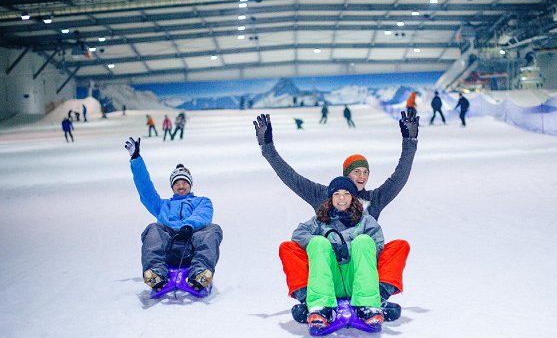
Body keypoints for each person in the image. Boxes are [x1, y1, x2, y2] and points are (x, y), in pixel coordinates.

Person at [253, 111, 419, 322]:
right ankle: (309, 299)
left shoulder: (374, 199)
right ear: (344, 176)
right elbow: (292, 178)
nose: (361, 176)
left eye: (365, 172)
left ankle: (376, 297)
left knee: (397, 246)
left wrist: (409, 142)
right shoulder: (325, 196)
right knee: (289, 248)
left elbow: (399, 178)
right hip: (328, 267)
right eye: (356, 172)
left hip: (362, 265)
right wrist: (268, 148)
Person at [123, 137, 223, 291]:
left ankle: (200, 272)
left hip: (192, 244)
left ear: (190, 184)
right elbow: (146, 190)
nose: (181, 186)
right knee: (153, 228)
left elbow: (203, 216)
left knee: (213, 229)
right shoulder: (163, 205)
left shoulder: (203, 201)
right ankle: (155, 272)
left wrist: (189, 227)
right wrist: (136, 160)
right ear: (172, 186)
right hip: (168, 246)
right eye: (177, 183)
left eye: (184, 182)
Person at [291, 177, 385, 327]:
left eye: (346, 193)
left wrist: (349, 248)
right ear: (331, 198)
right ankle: (321, 307)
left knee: (364, 240)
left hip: (354, 278)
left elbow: (378, 244)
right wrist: (329, 246)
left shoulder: (366, 221)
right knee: (318, 242)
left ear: (353, 197)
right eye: (336, 194)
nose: (342, 198)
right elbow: (298, 234)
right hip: (330, 280)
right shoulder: (320, 221)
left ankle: (367, 305)